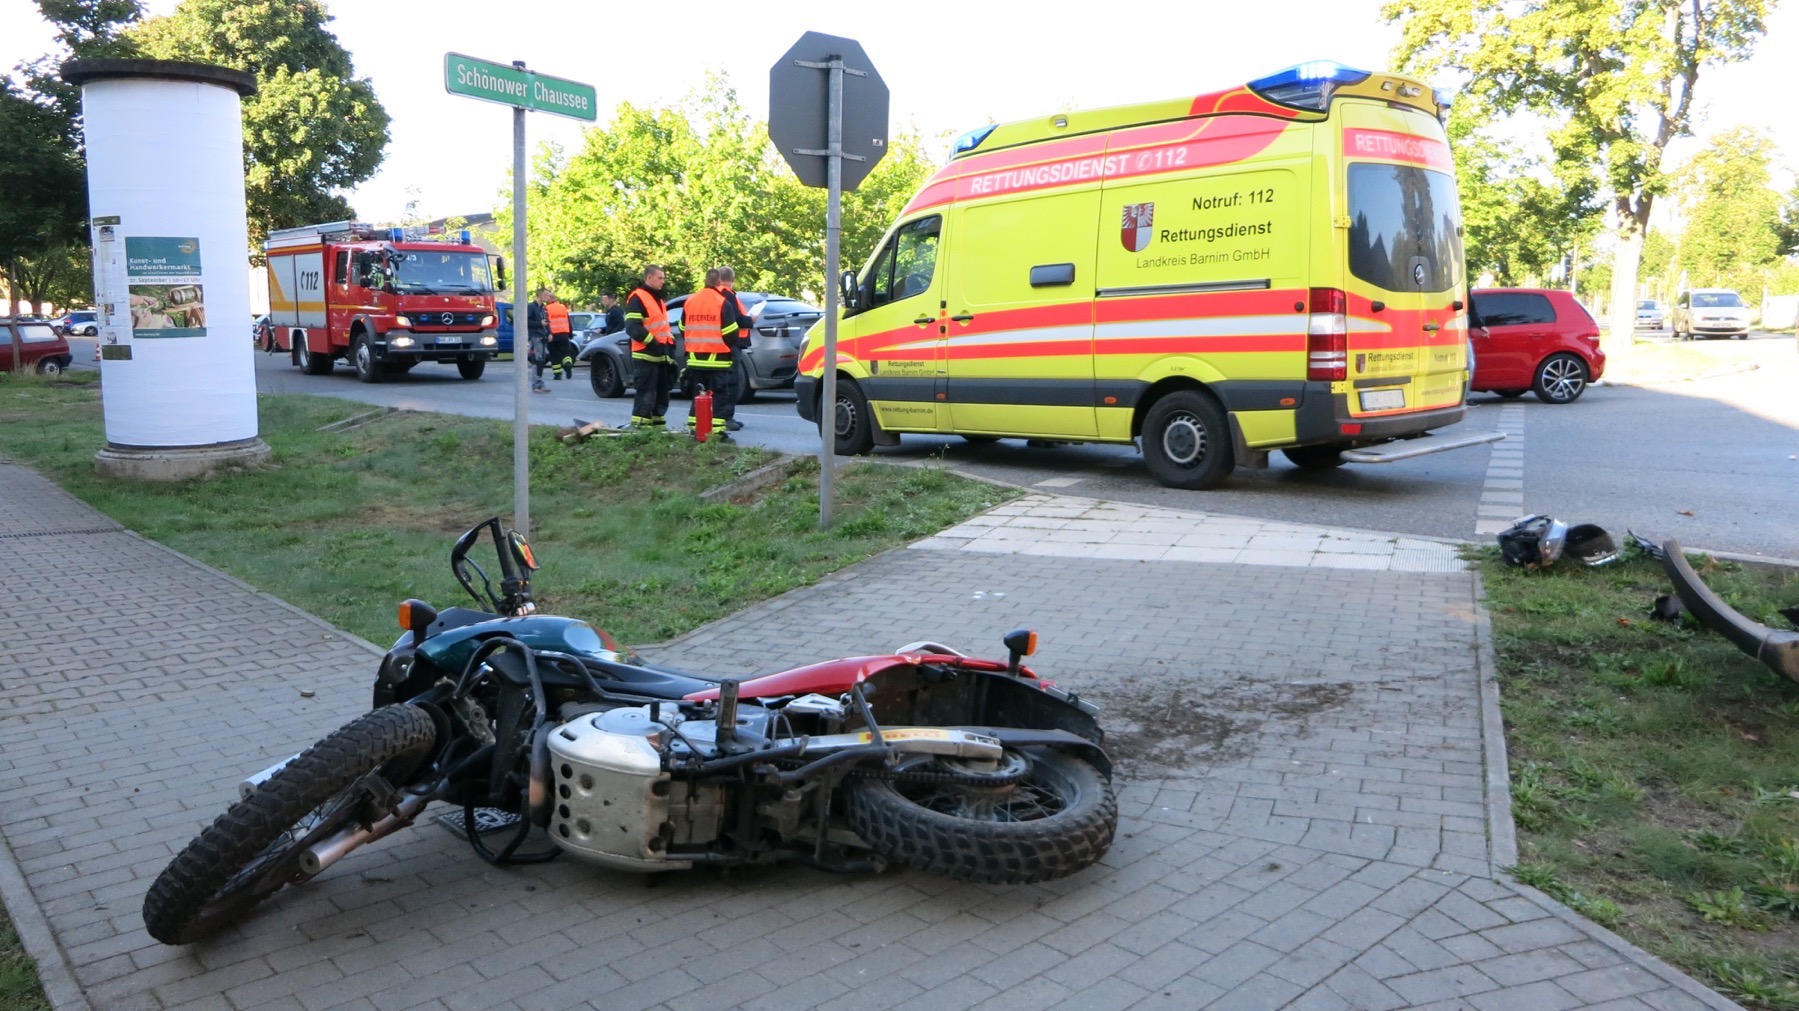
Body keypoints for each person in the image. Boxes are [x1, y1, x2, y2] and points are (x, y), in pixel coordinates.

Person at [679, 269, 739, 440]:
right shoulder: (722, 302)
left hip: (695, 360)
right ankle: (717, 433)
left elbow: (683, 328)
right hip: (717, 360)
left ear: (705, 280)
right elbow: (731, 333)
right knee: (719, 397)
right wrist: (727, 348)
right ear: (719, 282)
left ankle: (694, 430)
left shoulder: (690, 301)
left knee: (697, 396)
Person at [624, 265, 677, 429]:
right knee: (646, 391)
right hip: (645, 354)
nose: (663, 281)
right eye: (660, 278)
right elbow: (632, 327)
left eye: (663, 278)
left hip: (660, 355)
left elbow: (662, 327)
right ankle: (640, 426)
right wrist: (653, 343)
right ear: (649, 278)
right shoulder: (638, 297)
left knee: (661, 392)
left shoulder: (658, 299)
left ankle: (658, 425)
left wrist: (669, 344)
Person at [715, 266, 752, 432]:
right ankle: (726, 418)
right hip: (730, 343)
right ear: (732, 279)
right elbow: (736, 320)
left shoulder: (714, 294)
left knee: (721, 381)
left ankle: (722, 417)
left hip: (719, 343)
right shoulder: (727, 295)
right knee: (731, 381)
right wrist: (751, 320)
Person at [526, 287, 553, 393]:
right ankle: (536, 385)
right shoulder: (531, 307)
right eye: (546, 295)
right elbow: (526, 321)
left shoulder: (543, 308)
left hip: (542, 336)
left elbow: (546, 321)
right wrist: (539, 324)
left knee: (544, 357)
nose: (548, 297)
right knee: (538, 360)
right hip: (535, 336)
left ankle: (539, 383)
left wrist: (549, 332)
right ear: (540, 295)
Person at [545, 292, 577, 381]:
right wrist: (570, 333)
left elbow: (546, 322)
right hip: (564, 334)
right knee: (566, 353)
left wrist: (546, 334)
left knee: (554, 355)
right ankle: (567, 364)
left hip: (552, 335)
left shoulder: (546, 308)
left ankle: (557, 375)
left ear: (549, 299)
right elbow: (568, 321)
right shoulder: (563, 307)